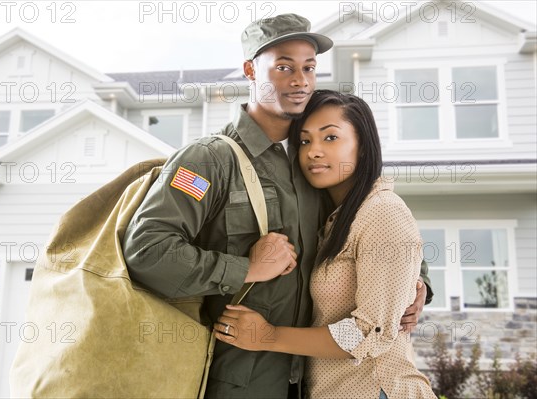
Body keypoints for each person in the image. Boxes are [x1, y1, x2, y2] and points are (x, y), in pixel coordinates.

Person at [122, 14, 432, 398]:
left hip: (310, 383)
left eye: (309, 68)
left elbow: (367, 231)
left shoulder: (313, 168)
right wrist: (246, 268)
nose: (300, 80)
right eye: (283, 67)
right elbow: (147, 251)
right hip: (239, 381)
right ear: (251, 69)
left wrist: (418, 287)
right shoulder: (209, 160)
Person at [214, 90, 437, 398]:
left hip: (377, 390)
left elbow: (369, 331)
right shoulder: (331, 216)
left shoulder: (383, 211)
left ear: (362, 147)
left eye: (330, 138)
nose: (314, 152)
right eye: (304, 141)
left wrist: (269, 336)